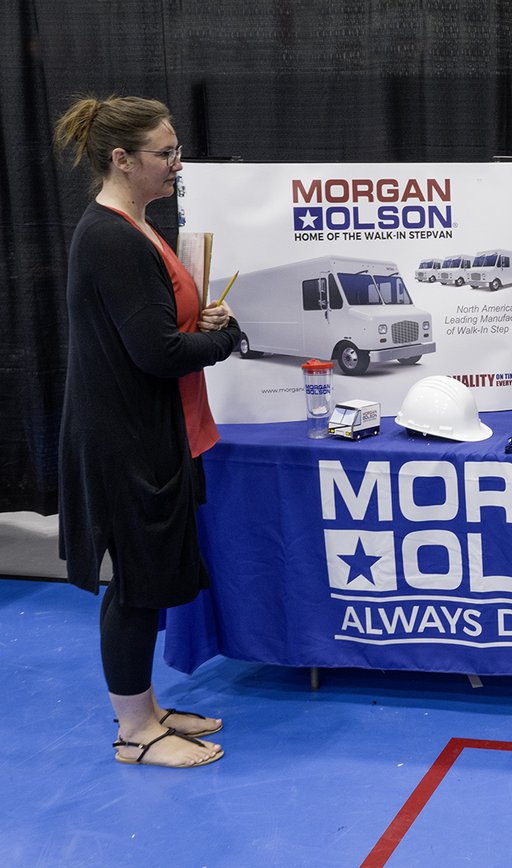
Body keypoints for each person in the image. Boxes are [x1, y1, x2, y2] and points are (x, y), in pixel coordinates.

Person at [54, 95, 241, 768]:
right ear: (120, 159)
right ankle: (134, 733)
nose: (176, 164)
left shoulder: (137, 228)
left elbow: (159, 329)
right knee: (136, 587)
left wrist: (204, 327)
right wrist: (224, 343)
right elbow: (157, 353)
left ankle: (147, 707)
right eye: (165, 154)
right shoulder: (110, 236)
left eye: (176, 150)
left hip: (153, 433)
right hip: (127, 443)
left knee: (150, 579)